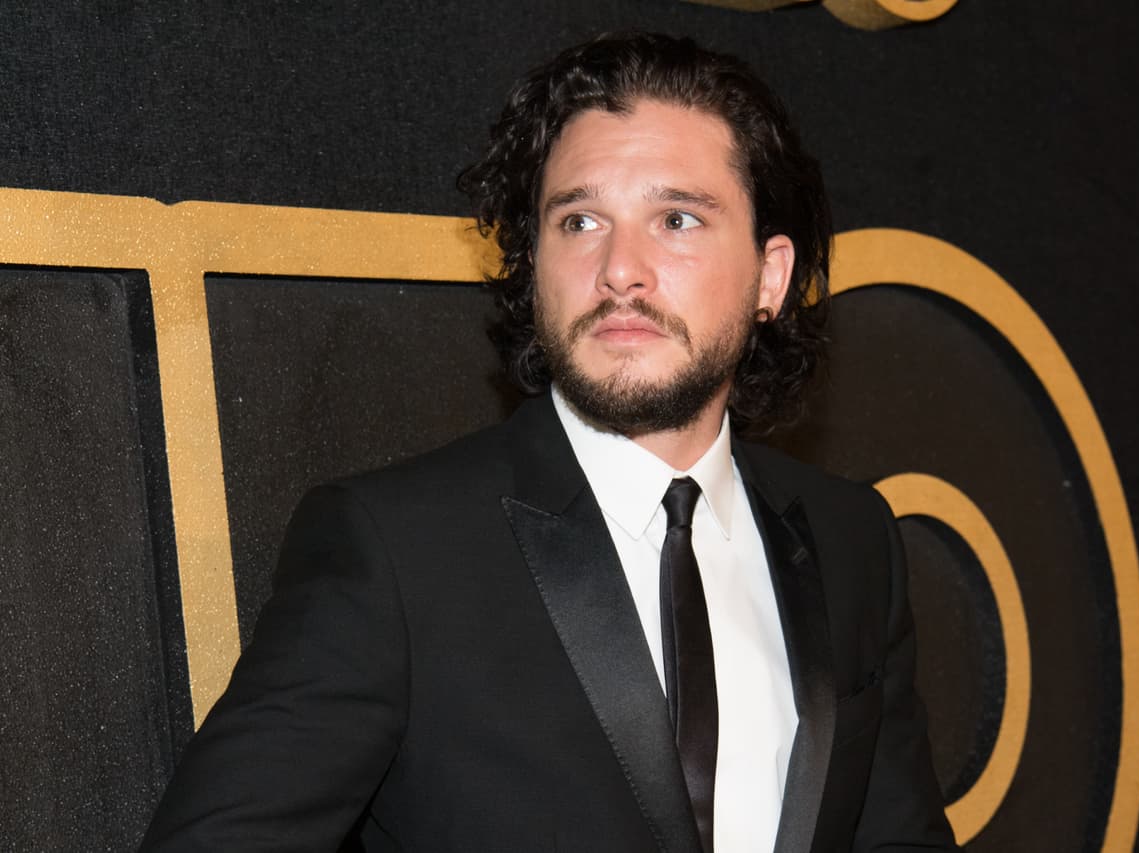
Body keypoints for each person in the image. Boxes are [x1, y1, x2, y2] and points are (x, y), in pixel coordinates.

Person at [142, 32, 957, 853]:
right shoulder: (396, 549)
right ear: (535, 264)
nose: (620, 269)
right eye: (579, 220)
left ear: (769, 277)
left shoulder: (852, 539)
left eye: (676, 219)